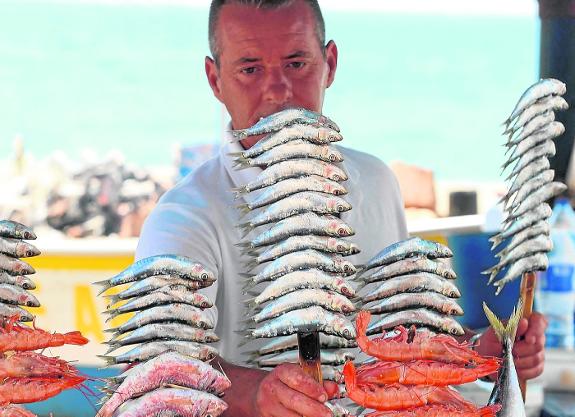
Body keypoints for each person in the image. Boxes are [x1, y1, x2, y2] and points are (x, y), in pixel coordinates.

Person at [135, 1, 548, 416]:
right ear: (215, 79)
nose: (278, 90)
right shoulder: (183, 218)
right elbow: (158, 368)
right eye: (250, 69)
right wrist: (258, 393)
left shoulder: (376, 182)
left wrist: (477, 351)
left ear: (329, 63)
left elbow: (396, 336)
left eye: (297, 64)